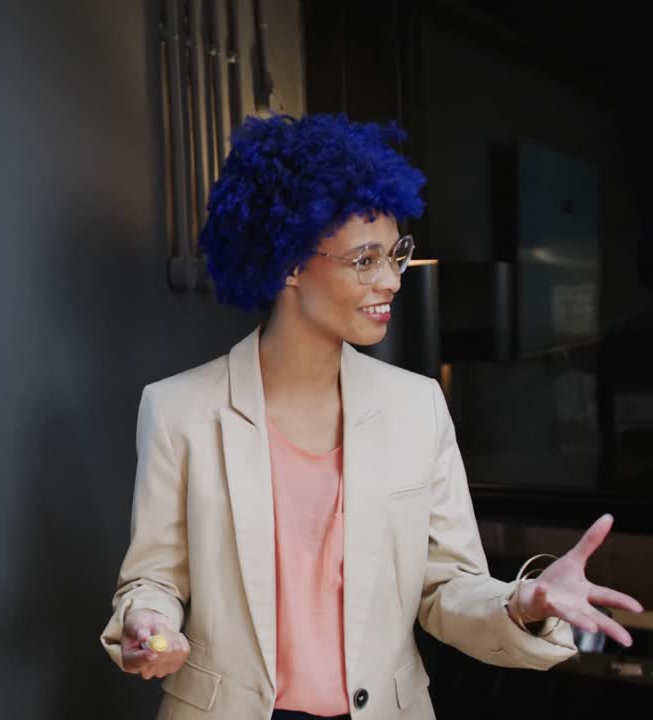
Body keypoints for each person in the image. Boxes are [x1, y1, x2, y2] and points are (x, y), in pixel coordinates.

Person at [98, 113, 644, 720]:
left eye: (396, 254)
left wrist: (524, 602)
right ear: (289, 263)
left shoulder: (417, 406)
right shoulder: (178, 411)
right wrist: (147, 621)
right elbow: (153, 580)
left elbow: (446, 588)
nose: (391, 280)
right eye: (365, 260)